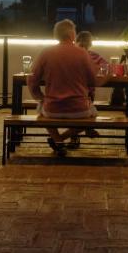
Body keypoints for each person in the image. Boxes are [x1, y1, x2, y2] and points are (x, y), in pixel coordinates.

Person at [27, 20, 104, 156]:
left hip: (52, 109)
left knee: (40, 107)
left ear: (56, 35)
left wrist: (40, 97)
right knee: (93, 117)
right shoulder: (82, 53)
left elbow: (32, 79)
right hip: (79, 109)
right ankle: (60, 139)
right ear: (72, 34)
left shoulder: (46, 53)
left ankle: (58, 139)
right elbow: (93, 81)